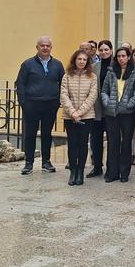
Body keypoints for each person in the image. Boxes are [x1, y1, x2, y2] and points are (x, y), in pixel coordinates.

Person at [16, 36, 65, 175]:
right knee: (30, 134)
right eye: (42, 45)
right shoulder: (27, 64)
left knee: (47, 134)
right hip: (31, 104)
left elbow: (64, 83)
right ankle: (29, 163)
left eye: (47, 46)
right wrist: (23, 103)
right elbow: (20, 84)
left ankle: (46, 162)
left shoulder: (57, 65)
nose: (45, 48)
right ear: (37, 47)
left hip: (50, 105)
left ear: (51, 48)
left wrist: (58, 101)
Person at [100, 47, 135, 183]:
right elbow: (104, 90)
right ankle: (112, 172)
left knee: (126, 143)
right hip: (111, 112)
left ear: (129, 57)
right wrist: (107, 102)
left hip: (127, 113)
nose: (121, 58)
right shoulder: (111, 72)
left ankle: (124, 172)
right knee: (113, 143)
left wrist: (129, 105)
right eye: (119, 56)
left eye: (123, 56)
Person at [59, 49, 99, 186]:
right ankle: (73, 172)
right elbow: (63, 95)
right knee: (72, 144)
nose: (81, 62)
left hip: (86, 116)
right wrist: (73, 112)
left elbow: (92, 96)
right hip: (70, 117)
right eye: (79, 59)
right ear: (74, 60)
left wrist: (80, 112)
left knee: (82, 144)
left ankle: (80, 171)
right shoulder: (67, 76)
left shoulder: (92, 77)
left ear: (87, 62)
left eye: (84, 60)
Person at [87, 39, 113, 178]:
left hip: (112, 108)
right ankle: (97, 166)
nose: (103, 52)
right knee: (95, 139)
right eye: (101, 50)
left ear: (111, 51)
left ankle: (111, 167)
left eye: (106, 50)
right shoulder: (94, 66)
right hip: (96, 107)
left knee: (112, 139)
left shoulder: (116, 65)